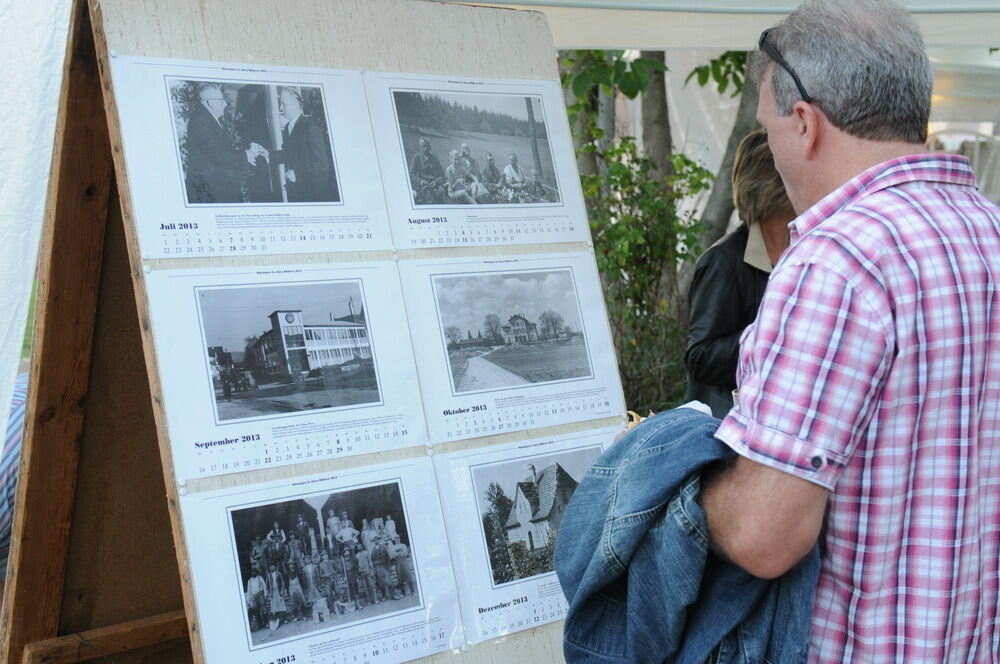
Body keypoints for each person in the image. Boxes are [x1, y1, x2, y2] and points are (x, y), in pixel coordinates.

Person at [700, 2, 1000, 662]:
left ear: (803, 123)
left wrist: (677, 492)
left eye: (768, 128)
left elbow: (762, 535)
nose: (772, 150)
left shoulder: (837, 261)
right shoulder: (990, 233)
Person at [685, 128, 794, 417]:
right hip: (731, 430)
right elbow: (700, 358)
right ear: (772, 184)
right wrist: (775, 332)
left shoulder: (806, 248)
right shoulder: (722, 262)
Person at [183, 83, 267, 204]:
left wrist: (249, 149)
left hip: (216, 189)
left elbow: (222, 150)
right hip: (211, 192)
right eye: (222, 100)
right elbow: (217, 155)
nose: (225, 104)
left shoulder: (206, 119)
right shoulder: (200, 120)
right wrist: (246, 155)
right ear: (212, 103)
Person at [276, 86, 339, 203]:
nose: (280, 108)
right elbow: (288, 154)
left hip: (315, 195)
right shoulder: (287, 129)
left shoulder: (310, 128)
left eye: (283, 104)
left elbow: (322, 166)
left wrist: (297, 175)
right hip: (297, 193)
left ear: (296, 104)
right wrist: (268, 154)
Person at [409, 136, 445, 204]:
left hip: (435, 184)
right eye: (423, 146)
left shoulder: (435, 159)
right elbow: (411, 174)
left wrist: (437, 182)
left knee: (442, 192)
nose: (425, 148)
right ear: (420, 147)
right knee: (429, 194)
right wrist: (421, 181)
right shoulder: (417, 158)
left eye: (427, 146)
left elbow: (442, 176)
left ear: (430, 147)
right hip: (424, 185)